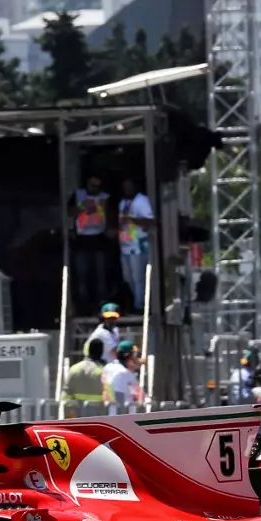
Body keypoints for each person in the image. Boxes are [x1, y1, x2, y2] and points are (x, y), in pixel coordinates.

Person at [67, 174, 112, 316]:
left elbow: (111, 216)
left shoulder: (105, 197)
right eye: (93, 186)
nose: (95, 189)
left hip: (99, 239)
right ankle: (83, 308)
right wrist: (83, 206)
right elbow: (69, 212)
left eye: (98, 187)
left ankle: (102, 306)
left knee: (101, 277)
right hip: (82, 241)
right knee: (82, 277)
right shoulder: (78, 195)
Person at [117, 177, 156, 314]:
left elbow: (150, 221)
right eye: (125, 187)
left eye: (129, 186)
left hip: (139, 246)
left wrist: (132, 220)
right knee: (128, 278)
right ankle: (135, 301)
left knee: (138, 278)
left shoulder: (142, 201)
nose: (127, 190)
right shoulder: (122, 202)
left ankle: (139, 306)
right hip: (125, 245)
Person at [64, 338, 105, 407]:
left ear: (88, 351)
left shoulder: (74, 369)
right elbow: (109, 399)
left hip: (77, 415)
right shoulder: (103, 372)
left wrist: (68, 415)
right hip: (97, 415)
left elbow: (66, 396)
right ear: (101, 353)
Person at [104, 345, 143, 415]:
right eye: (134, 356)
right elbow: (140, 396)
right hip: (124, 417)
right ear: (127, 356)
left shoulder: (108, 367)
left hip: (108, 414)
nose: (136, 359)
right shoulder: (125, 373)